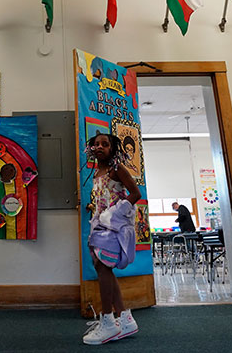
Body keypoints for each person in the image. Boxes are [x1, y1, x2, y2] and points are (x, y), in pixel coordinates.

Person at [82, 133, 141, 345]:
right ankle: (124, 319)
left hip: (113, 226)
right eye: (96, 144)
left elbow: (135, 193)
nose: (100, 147)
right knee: (102, 266)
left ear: (112, 148)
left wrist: (114, 213)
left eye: (105, 144)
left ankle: (108, 320)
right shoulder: (97, 171)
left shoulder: (117, 169)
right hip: (100, 225)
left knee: (103, 265)